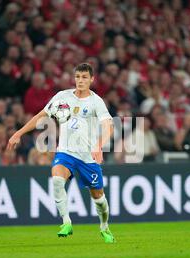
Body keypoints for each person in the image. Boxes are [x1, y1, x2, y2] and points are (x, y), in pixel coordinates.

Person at [6, 63, 115, 243]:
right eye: (78, 77)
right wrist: (18, 133)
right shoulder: (62, 97)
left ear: (92, 79)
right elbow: (41, 116)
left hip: (88, 157)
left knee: (99, 198)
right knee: (57, 179)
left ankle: (104, 227)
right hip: (66, 152)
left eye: (84, 77)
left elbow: (108, 126)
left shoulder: (96, 102)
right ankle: (66, 222)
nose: (80, 81)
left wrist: (99, 145)